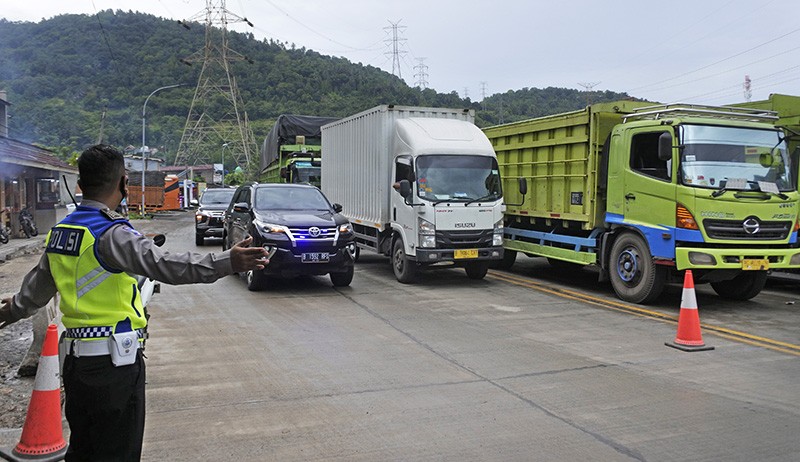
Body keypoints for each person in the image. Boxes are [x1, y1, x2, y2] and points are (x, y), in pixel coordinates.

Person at [0, 144, 269, 461]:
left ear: (79, 186)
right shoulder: (111, 233)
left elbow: (32, 295)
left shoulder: (61, 232)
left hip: (74, 366)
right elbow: (166, 265)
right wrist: (228, 262)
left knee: (84, 450)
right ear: (124, 185)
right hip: (113, 367)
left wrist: (7, 312)